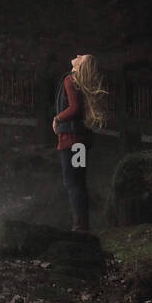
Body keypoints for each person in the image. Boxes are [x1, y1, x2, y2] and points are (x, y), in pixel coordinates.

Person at [53, 54, 107, 232]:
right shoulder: (78, 82)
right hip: (79, 143)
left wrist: (57, 118)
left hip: (72, 141)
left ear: (80, 66)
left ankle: (79, 227)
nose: (77, 56)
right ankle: (82, 224)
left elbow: (74, 108)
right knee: (78, 182)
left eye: (81, 57)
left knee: (72, 183)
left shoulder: (70, 80)